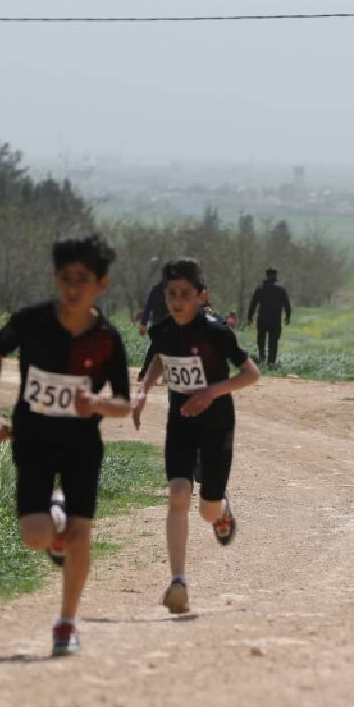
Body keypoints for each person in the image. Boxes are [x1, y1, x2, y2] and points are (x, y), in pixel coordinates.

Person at [0, 235, 132, 657]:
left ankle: (66, 623)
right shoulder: (31, 321)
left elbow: (124, 401)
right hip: (33, 439)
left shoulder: (107, 339)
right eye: (65, 278)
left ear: (101, 284)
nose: (72, 287)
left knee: (81, 537)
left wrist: (98, 403)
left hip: (82, 445)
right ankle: (54, 515)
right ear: (54, 278)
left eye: (82, 279)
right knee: (35, 537)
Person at [132, 258, 259, 616]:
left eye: (185, 294)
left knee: (206, 511)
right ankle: (178, 581)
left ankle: (221, 511)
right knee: (177, 494)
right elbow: (159, 358)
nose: (176, 301)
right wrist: (143, 391)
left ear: (201, 297)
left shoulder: (215, 331)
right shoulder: (163, 331)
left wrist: (211, 391)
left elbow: (251, 373)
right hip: (182, 423)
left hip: (217, 423)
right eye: (171, 294)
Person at [246, 267, 291, 369]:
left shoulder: (260, 288)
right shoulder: (281, 289)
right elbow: (287, 304)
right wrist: (288, 317)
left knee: (261, 339)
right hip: (275, 319)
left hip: (262, 318)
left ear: (267, 275)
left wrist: (250, 317)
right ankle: (271, 362)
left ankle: (262, 357)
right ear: (275, 275)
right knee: (273, 341)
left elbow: (253, 304)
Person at [137, 268, 166, 338]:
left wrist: (143, 324)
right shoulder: (175, 290)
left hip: (157, 324)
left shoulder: (155, 289)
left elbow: (148, 307)